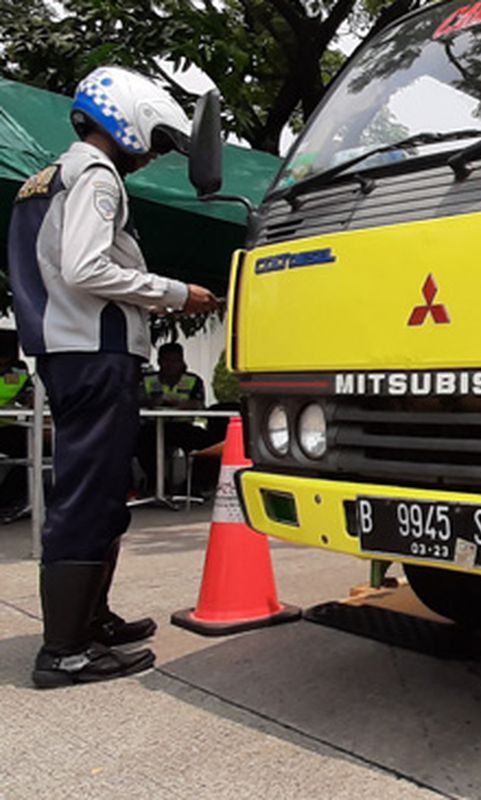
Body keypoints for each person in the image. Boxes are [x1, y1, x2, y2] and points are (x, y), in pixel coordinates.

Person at [6, 65, 221, 688]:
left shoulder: (45, 176)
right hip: (92, 349)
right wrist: (176, 293)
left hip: (66, 348)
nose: (150, 158)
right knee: (88, 495)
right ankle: (66, 651)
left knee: (100, 492)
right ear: (124, 119)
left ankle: (91, 619)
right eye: (154, 142)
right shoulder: (96, 175)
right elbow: (85, 267)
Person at [136, 342, 221, 492]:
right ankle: (157, 484)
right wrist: (153, 402)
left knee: (211, 444)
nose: (171, 365)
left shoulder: (193, 380)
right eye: (166, 360)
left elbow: (199, 404)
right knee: (140, 442)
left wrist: (182, 403)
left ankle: (194, 485)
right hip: (152, 427)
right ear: (159, 361)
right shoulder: (147, 380)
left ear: (182, 361)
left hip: (182, 427)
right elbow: (137, 401)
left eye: (175, 360)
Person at [0, 330, 33, 515]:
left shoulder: (18, 370)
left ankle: (7, 499)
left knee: (31, 449)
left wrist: (30, 398)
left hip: (6, 427)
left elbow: (29, 393)